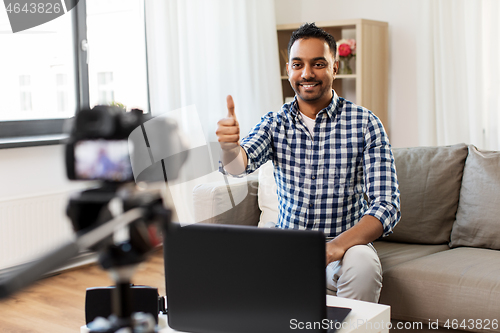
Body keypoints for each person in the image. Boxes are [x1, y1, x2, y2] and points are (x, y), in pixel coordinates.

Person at [216, 23, 400, 303]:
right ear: (288, 69)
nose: (307, 74)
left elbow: (386, 205)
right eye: (298, 64)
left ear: (334, 68)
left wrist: (334, 248)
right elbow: (239, 166)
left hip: (345, 248)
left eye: (318, 64)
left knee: (364, 266)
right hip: (289, 246)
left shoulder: (366, 124)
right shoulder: (274, 122)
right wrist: (229, 147)